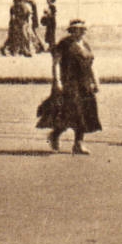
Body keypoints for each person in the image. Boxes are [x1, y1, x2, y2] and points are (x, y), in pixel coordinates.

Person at [38, 19, 101, 155]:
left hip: (84, 84)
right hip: (69, 84)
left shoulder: (85, 45)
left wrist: (96, 82)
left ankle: (78, 144)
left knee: (84, 113)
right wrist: (57, 82)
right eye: (78, 29)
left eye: (83, 29)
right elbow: (55, 64)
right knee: (72, 113)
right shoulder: (64, 44)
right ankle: (55, 135)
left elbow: (91, 65)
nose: (81, 31)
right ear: (72, 30)